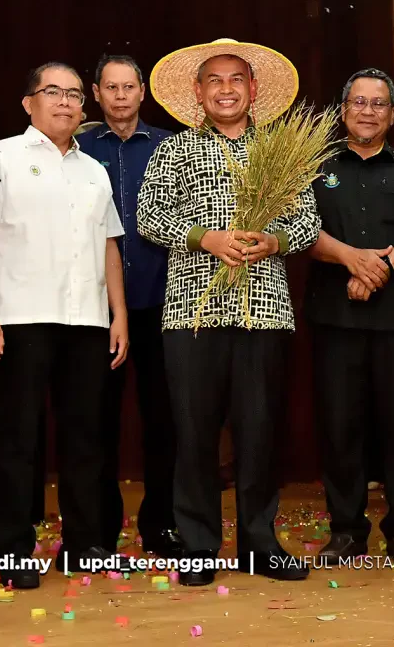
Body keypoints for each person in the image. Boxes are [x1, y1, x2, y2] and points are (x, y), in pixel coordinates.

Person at [137, 38, 320, 586]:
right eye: (213, 80)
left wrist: (274, 241)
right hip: (190, 311)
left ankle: (260, 544)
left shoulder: (284, 152)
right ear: (198, 92)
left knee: (259, 430)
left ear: (253, 89)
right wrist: (203, 238)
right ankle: (197, 547)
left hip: (263, 311)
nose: (225, 88)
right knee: (193, 431)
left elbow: (308, 222)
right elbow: (148, 217)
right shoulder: (173, 150)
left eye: (235, 79)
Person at [0, 62, 129, 588]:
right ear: (28, 102)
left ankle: (85, 547)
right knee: (19, 438)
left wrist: (118, 313)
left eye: (74, 95)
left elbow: (109, 246)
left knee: (87, 439)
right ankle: (13, 551)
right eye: (52, 92)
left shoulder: (94, 170)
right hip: (20, 318)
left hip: (86, 320)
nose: (64, 102)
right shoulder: (0, 158)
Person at [306, 68, 394, 567]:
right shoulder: (314, 166)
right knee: (339, 428)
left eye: (378, 103)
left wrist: (380, 267)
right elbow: (300, 229)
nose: (367, 111)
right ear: (342, 109)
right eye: (358, 102)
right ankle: (345, 531)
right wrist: (352, 259)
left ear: (393, 113)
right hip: (334, 321)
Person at [75, 55, 182, 558]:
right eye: (110, 87)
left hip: (164, 302)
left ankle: (161, 525)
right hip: (94, 307)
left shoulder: (174, 148)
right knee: (95, 420)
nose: (120, 96)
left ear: (144, 92)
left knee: (165, 421)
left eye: (129, 87)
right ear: (96, 92)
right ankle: (97, 528)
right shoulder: (74, 146)